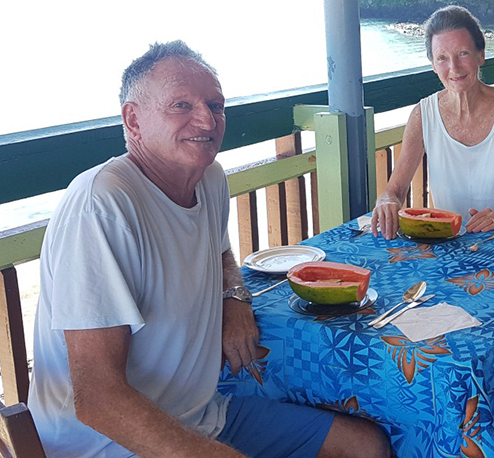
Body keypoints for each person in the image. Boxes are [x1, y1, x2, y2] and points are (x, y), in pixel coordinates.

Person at [28, 41, 391, 458]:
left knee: (365, 446)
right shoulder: (103, 205)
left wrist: (234, 297)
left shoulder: (210, 177)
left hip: (202, 413)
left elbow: (221, 252)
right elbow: (97, 398)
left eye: (215, 105)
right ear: (133, 119)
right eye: (181, 105)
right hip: (107, 444)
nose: (206, 119)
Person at [371, 5, 494, 239]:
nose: (453, 68)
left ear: (480, 55)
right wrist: (386, 201)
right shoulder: (423, 114)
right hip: (453, 244)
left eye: (463, 53)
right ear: (433, 65)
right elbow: (395, 191)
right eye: (442, 58)